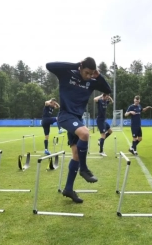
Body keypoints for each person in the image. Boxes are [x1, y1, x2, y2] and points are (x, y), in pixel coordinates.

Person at [46, 57, 112, 203]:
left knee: (76, 154)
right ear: (81, 67)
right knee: (85, 133)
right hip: (65, 116)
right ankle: (84, 169)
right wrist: (76, 65)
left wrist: (98, 76)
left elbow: (108, 90)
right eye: (87, 72)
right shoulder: (67, 74)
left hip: (77, 119)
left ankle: (68, 189)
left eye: (91, 74)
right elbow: (49, 65)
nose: (88, 76)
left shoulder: (91, 82)